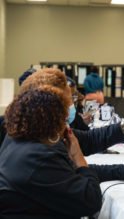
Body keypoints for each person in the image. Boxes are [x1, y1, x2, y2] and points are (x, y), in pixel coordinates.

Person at [0, 86, 103, 217]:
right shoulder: (39, 157)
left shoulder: (15, 142)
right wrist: (78, 157)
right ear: (53, 122)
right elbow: (91, 200)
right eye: (64, 120)